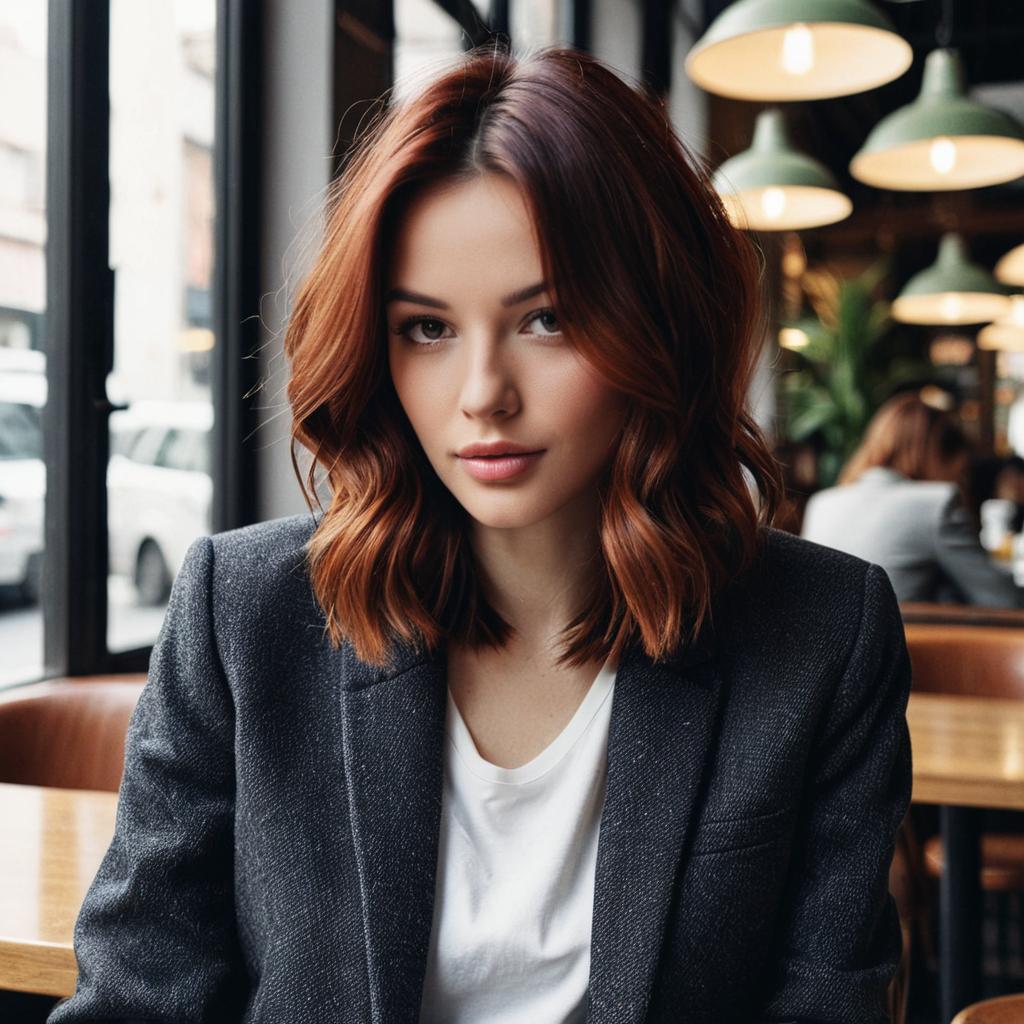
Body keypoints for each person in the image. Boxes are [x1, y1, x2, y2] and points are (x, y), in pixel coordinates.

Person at [50, 44, 911, 1024]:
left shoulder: (823, 634)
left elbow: (825, 1006)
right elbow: (137, 998)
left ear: (661, 324)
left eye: (545, 318)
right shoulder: (241, 613)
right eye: (426, 328)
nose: (482, 396)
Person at [801, 391, 1023, 608]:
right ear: (939, 458)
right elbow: (1004, 601)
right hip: (903, 643)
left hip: (820, 644)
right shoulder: (938, 502)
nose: (962, 482)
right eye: (962, 471)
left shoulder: (821, 504)